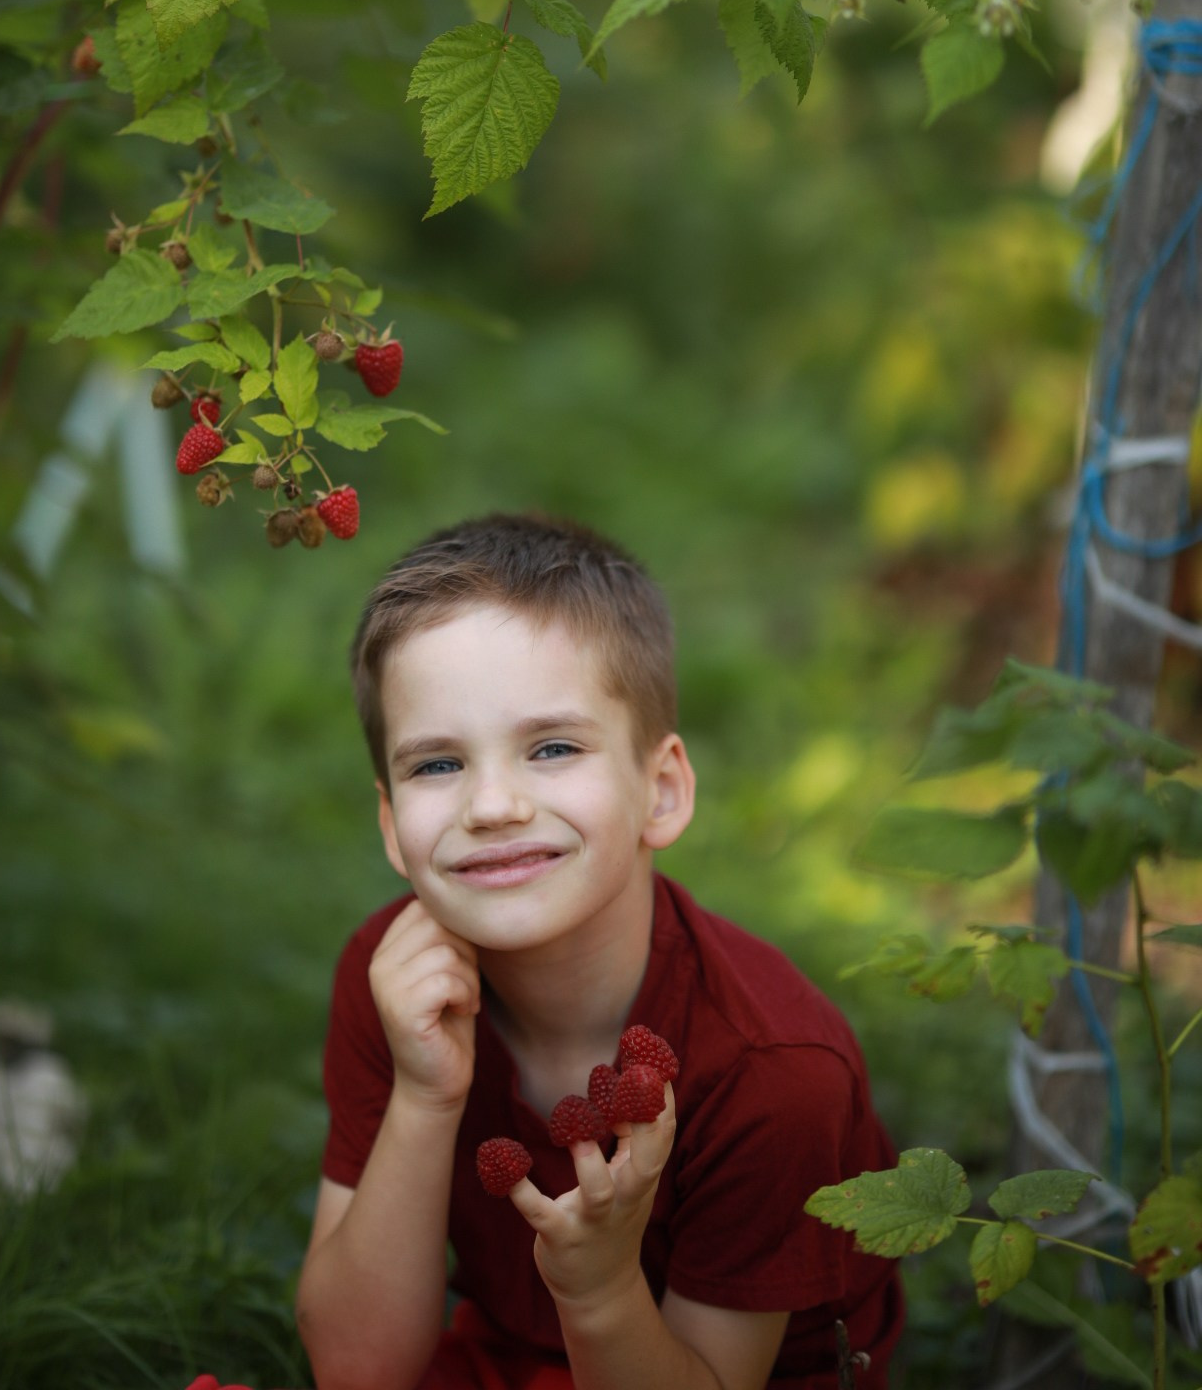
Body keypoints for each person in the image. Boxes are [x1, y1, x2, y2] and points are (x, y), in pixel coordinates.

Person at [293, 512, 903, 1390]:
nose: (492, 806)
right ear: (392, 826)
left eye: (552, 748)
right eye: (437, 765)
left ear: (661, 792)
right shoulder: (395, 982)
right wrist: (426, 1097)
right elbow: (358, 1370)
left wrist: (600, 1286)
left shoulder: (772, 1072)